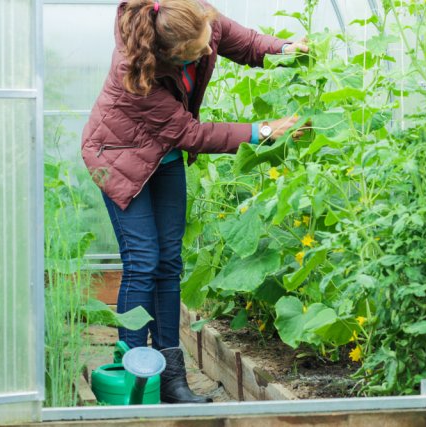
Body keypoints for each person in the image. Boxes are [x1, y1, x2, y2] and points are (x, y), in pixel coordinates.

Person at [81, 0, 308, 404]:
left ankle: (171, 379)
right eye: (195, 51)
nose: (207, 52)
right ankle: (135, 378)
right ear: (167, 53)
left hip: (163, 155)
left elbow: (247, 43)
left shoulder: (199, 18)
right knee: (143, 259)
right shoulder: (134, 68)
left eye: (207, 42)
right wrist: (263, 130)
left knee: (169, 262)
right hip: (116, 157)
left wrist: (285, 48)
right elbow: (191, 134)